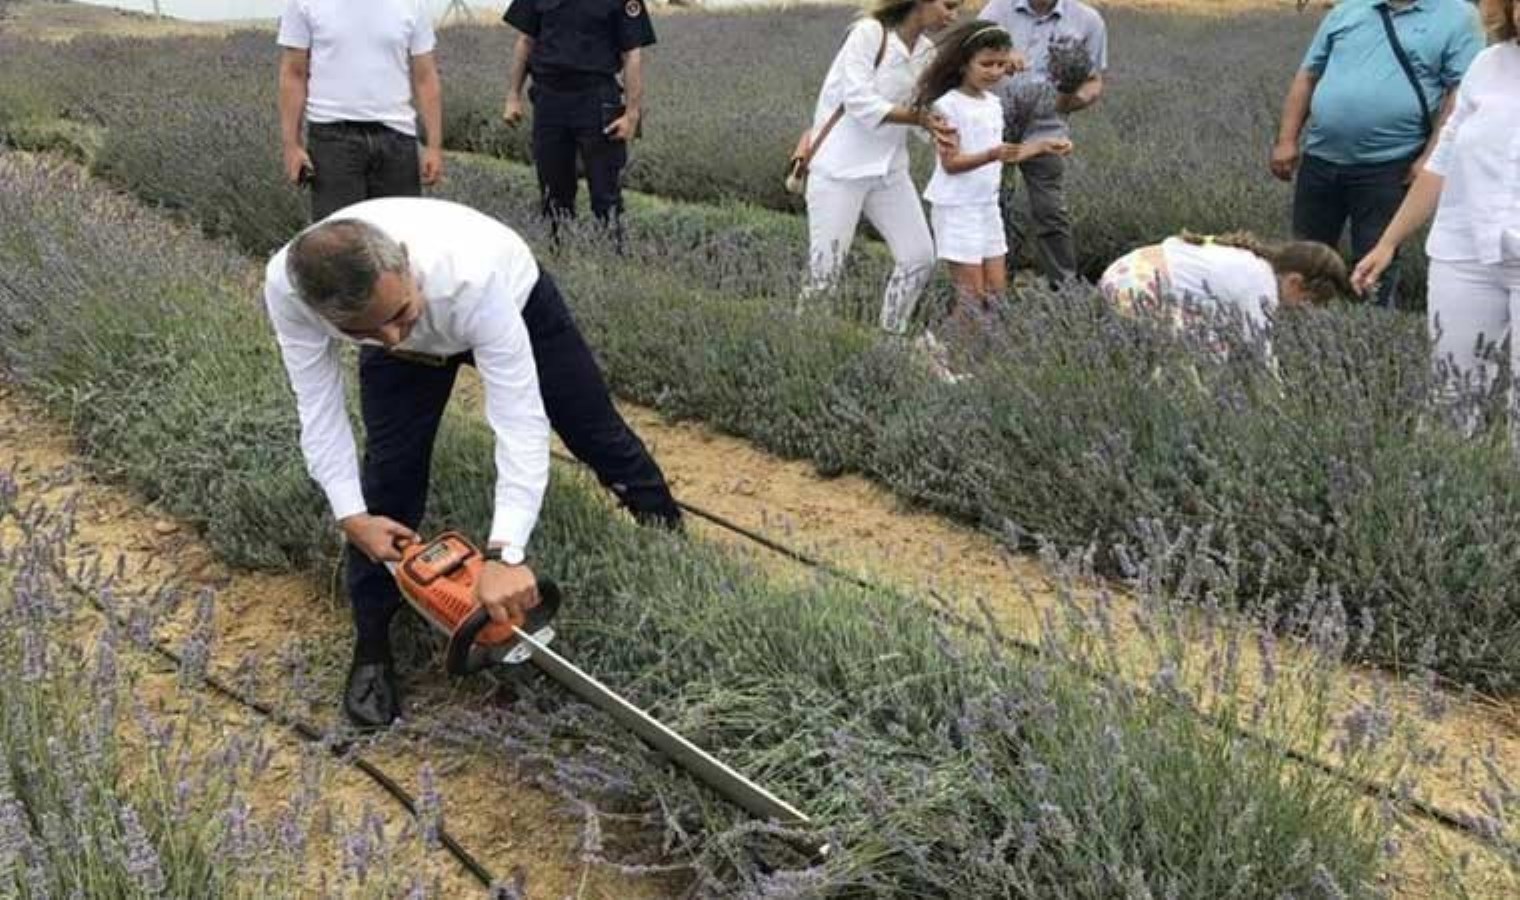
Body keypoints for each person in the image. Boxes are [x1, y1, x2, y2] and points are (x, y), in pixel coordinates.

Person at [263, 197, 682, 729]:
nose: (392, 339)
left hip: (514, 300)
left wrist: (506, 552)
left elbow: (519, 418)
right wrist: (350, 514)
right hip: (413, 316)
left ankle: (668, 541)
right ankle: (372, 647)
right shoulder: (290, 289)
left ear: (405, 263)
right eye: (367, 333)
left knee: (594, 433)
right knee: (389, 479)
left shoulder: (472, 277)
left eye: (397, 316)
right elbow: (318, 409)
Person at [1352, 0, 1520, 433]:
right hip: (1464, 251)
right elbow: (1441, 161)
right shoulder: (1487, 64)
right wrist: (1388, 242)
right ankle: (1450, 490)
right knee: (1450, 397)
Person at [1270, 0, 1484, 309]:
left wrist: (1430, 157)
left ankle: (1368, 327)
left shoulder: (1458, 16)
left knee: (1374, 264)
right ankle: (1300, 331)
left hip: (1388, 165)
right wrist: (1286, 140)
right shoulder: (1348, 10)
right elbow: (1308, 76)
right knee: (1303, 261)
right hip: (1320, 158)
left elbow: (1460, 93)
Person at [800, 0, 967, 338]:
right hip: (839, 171)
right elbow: (858, 101)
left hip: (888, 171)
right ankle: (801, 346)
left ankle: (890, 337)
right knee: (824, 273)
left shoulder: (926, 51)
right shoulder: (869, 34)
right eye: (949, 5)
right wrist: (917, 118)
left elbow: (921, 112)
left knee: (919, 256)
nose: (953, 15)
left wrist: (941, 131)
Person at [915, 21, 1071, 327]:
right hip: (957, 207)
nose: (995, 72)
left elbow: (1005, 155)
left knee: (995, 295)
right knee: (970, 299)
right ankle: (939, 356)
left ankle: (973, 361)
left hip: (986, 206)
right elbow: (951, 164)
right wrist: (990, 155)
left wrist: (1043, 146)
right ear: (963, 64)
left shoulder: (994, 104)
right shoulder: (947, 105)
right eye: (986, 64)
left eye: (1001, 64)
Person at [501, 0, 655, 244]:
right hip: (549, 98)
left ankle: (610, 262)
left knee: (606, 194)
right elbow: (525, 41)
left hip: (597, 97)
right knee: (553, 192)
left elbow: (632, 54)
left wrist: (632, 115)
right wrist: (513, 96)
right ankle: (559, 257)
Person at [277, 0, 444, 221]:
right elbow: (293, 73)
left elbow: (426, 77)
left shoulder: (413, 4)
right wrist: (291, 145)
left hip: (397, 138)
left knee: (397, 240)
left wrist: (434, 146)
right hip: (333, 140)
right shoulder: (304, 4)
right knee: (337, 242)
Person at [980, 0, 1108, 286]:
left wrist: (1072, 99)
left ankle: (1063, 289)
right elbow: (968, 54)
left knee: (1049, 209)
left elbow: (1094, 81)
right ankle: (994, 285)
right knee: (989, 202)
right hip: (993, 120)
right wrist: (1001, 54)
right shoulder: (997, 10)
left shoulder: (1087, 20)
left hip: (1047, 127)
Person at [1100, 232, 1352, 347]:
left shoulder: (1252, 261)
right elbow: (1258, 351)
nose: (1305, 312)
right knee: (1204, 353)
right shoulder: (1260, 286)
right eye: (1308, 302)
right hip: (1137, 287)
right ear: (1295, 282)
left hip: (1128, 271)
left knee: (1212, 337)